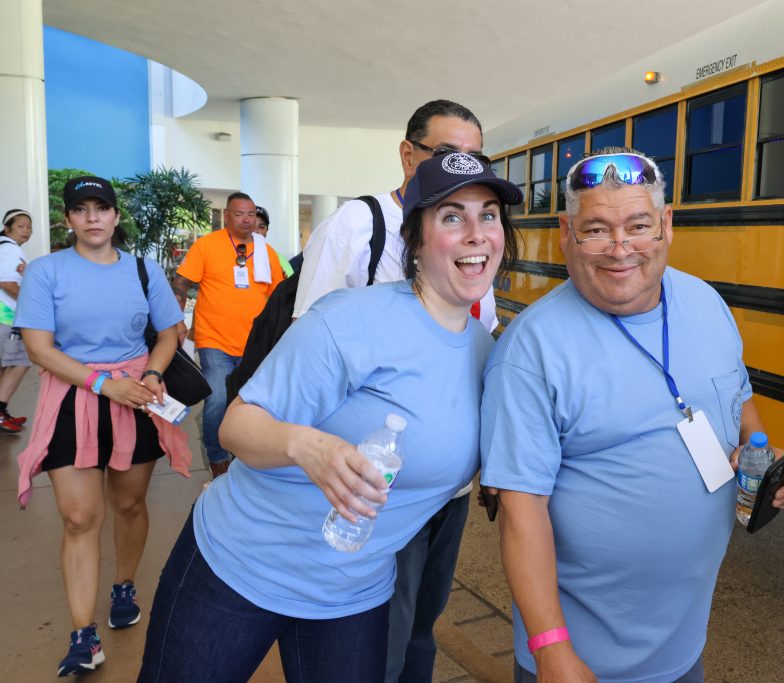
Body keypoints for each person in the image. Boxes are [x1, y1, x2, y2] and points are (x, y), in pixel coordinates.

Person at [137, 152, 521, 682]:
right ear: (415, 238)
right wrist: (309, 448)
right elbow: (236, 426)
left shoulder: (488, 353)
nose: (476, 233)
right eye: (452, 216)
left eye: (488, 215)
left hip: (352, 594)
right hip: (241, 566)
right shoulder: (350, 320)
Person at [480, 149, 784, 683]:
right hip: (580, 662)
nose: (620, 248)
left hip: (684, 647)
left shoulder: (706, 303)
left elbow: (738, 396)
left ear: (666, 224)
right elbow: (521, 511)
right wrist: (550, 649)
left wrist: (763, 457)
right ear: (565, 233)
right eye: (596, 230)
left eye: (638, 226)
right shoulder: (530, 351)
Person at [294, 99, 497, 682]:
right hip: (380, 484)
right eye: (446, 153)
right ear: (408, 155)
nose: (462, 167)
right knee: (384, 626)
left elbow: (476, 342)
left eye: (476, 158)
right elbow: (309, 343)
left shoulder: (474, 242)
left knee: (423, 624)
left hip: (449, 487)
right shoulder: (358, 225)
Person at [14, 176, 192, 677]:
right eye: (81, 209)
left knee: (130, 504)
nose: (92, 217)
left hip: (135, 397)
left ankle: (124, 586)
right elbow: (39, 348)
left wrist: (152, 374)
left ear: (116, 216)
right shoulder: (46, 271)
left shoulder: (143, 270)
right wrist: (101, 384)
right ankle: (83, 636)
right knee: (79, 518)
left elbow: (170, 334)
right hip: (73, 398)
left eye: (101, 208)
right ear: (68, 219)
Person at [172, 192, 285, 478]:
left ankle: (243, 456)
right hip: (215, 340)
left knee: (251, 403)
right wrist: (176, 320)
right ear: (226, 216)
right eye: (239, 214)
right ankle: (218, 458)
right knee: (218, 399)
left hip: (255, 343)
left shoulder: (266, 252)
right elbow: (181, 282)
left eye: (251, 214)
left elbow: (279, 295)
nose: (247, 220)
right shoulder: (207, 245)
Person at [0, 208, 34, 432]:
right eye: (21, 226)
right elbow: (7, 283)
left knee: (5, 365)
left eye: (29, 227)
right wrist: (33, 302)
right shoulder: (9, 249)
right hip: (7, 317)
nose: (27, 230)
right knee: (20, 361)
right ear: (7, 227)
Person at [254, 205, 294, 277]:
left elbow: (291, 281)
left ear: (267, 230)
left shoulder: (278, 258)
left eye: (261, 227)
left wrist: (284, 281)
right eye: (252, 226)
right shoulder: (235, 252)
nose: (256, 231)